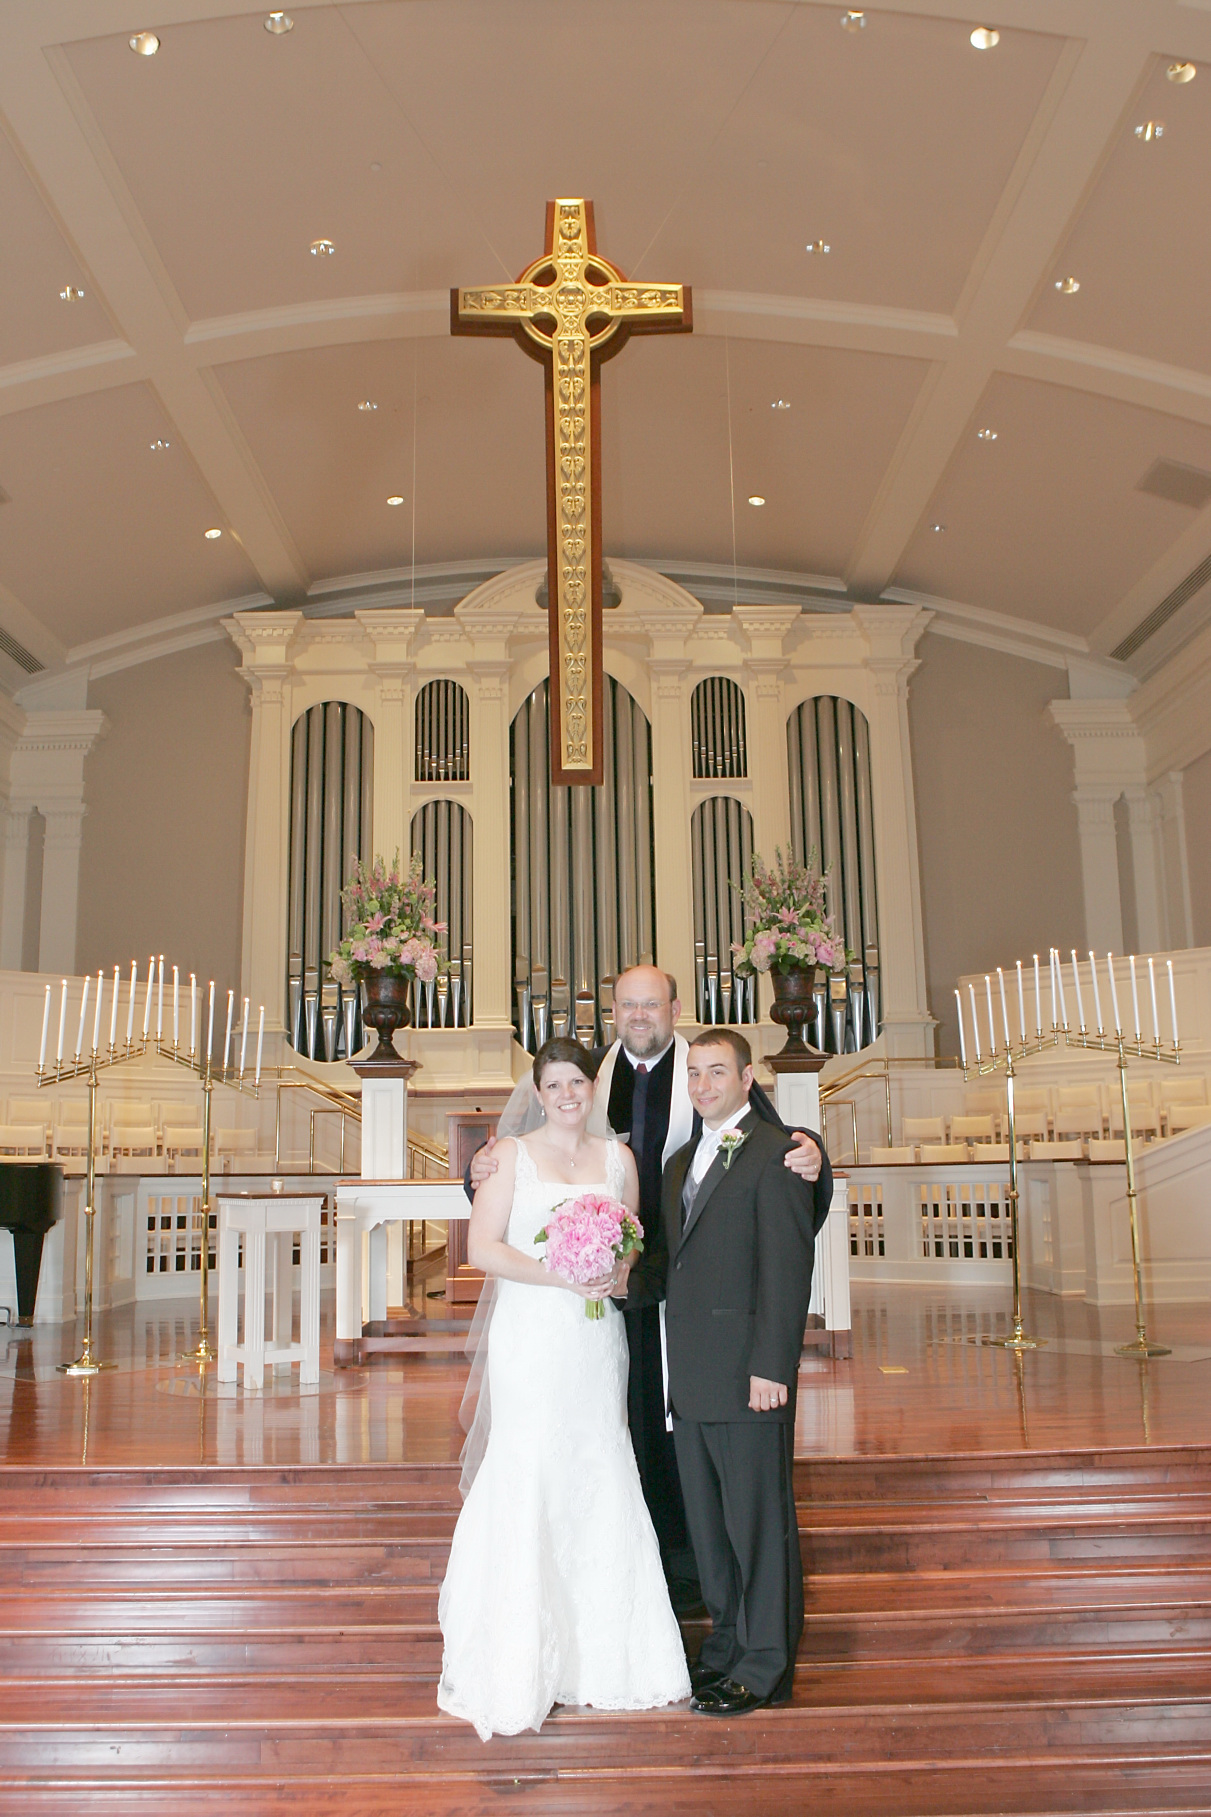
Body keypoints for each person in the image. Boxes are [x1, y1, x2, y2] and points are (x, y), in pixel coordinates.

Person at [468, 964, 826, 1613]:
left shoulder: (705, 1068)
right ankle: (640, 1561)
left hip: (689, 1292)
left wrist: (815, 1153)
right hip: (612, 1291)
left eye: (651, 1004)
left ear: (674, 1009)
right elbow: (520, 1174)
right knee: (625, 1417)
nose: (639, 1015)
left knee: (675, 1424)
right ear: (613, 1012)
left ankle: (689, 1562)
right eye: (628, 1005)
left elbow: (772, 1143)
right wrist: (478, 1167)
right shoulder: (591, 1075)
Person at [437, 1037, 691, 1740]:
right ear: (538, 1093)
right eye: (554, 1085)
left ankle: (605, 1654)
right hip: (533, 1334)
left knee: (598, 1459)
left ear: (592, 1087)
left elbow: (632, 1238)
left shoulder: (619, 1160)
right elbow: (482, 1247)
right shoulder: (509, 1157)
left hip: (594, 1339)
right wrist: (560, 1274)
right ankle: (521, 1653)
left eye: (577, 1082)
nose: (568, 1094)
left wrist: (614, 1270)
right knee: (533, 1462)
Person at [661, 1028, 823, 1716]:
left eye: (716, 1072)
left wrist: (771, 1366)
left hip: (749, 1376)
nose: (702, 1085)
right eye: (694, 1073)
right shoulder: (678, 1162)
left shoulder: (778, 1152)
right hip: (691, 1377)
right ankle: (726, 1646)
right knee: (710, 1528)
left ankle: (764, 1666)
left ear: (747, 1077)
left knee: (757, 1527)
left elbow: (788, 1268)